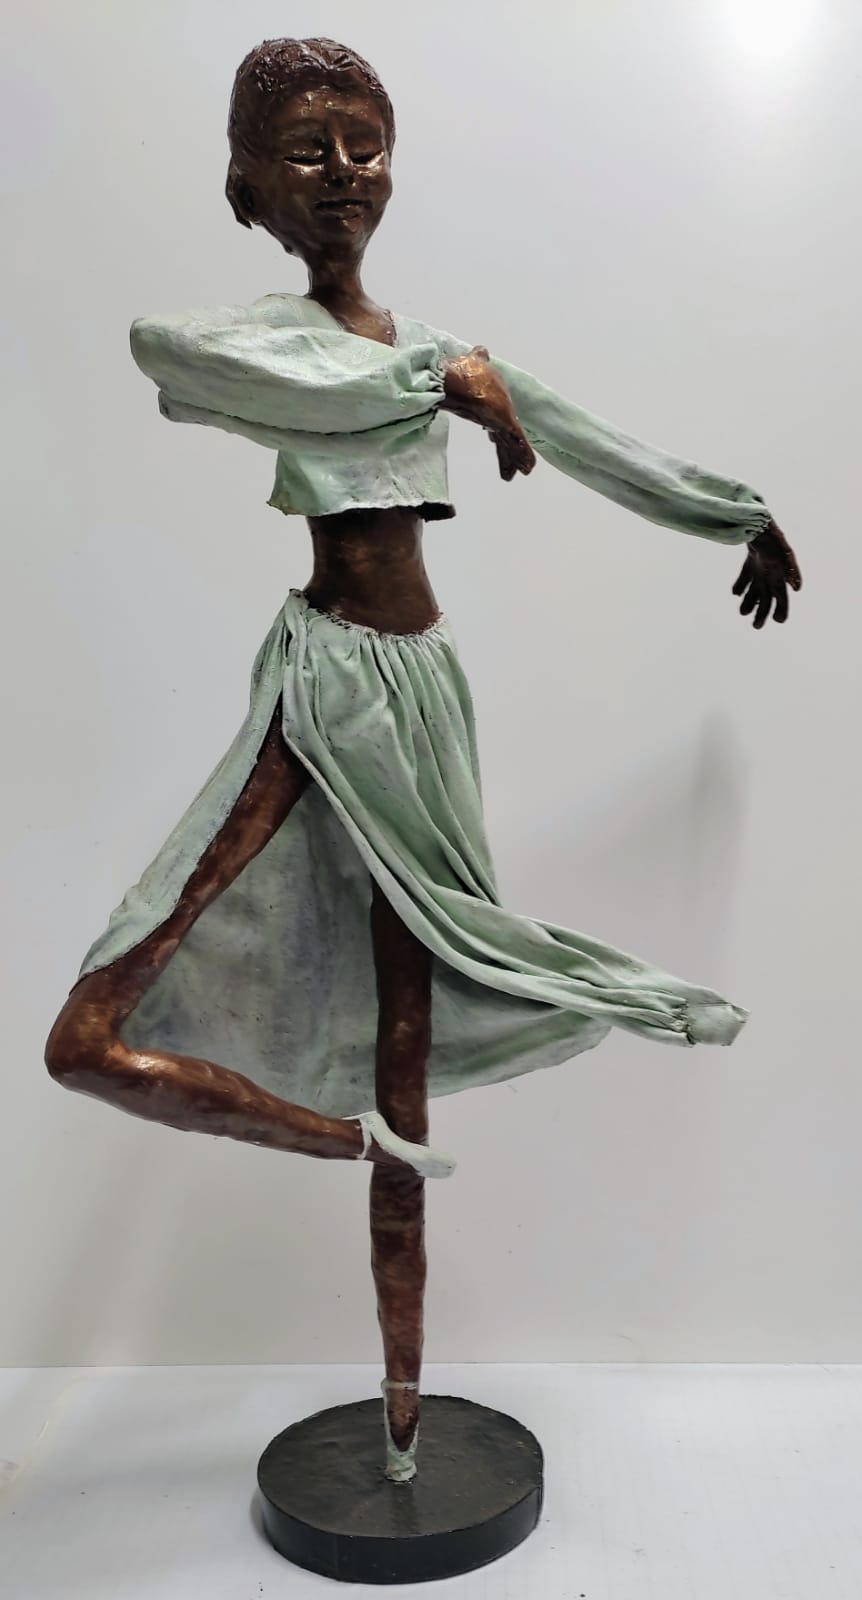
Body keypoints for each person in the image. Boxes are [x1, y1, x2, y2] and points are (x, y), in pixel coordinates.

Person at [44, 36, 801, 1480]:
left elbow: (588, 444)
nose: (342, 174)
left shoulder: (449, 354)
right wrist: (425, 380)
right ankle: (353, 1147)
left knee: (411, 1036)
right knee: (89, 1042)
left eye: (365, 146)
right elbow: (162, 347)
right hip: (320, 683)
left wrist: (735, 514)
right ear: (249, 190)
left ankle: (402, 1417)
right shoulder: (295, 352)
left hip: (421, 700)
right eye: (306, 152)